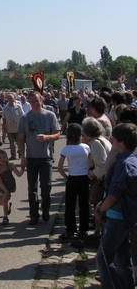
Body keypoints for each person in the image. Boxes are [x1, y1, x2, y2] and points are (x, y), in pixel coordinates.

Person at [94, 123, 137, 289]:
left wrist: (100, 208)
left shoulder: (123, 164)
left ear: (121, 141)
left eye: (113, 138)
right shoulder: (132, 159)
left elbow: (114, 195)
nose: (111, 139)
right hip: (127, 215)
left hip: (118, 216)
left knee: (103, 258)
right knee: (123, 257)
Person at [18, 91, 61, 225]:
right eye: (32, 102)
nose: (35, 104)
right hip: (31, 157)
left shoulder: (50, 115)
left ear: (41, 100)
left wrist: (47, 138)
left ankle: (46, 209)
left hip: (46, 157)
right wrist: (22, 156)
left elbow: (57, 134)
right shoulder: (24, 118)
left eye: (37, 101)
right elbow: (20, 139)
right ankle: (34, 214)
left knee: (46, 186)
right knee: (32, 188)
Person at [57, 123, 91, 240]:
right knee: (84, 205)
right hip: (84, 178)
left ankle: (70, 229)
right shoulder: (86, 147)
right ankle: (83, 229)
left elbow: (60, 167)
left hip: (72, 177)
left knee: (70, 205)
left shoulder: (66, 149)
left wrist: (66, 177)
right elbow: (90, 163)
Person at [0, 149, 25, 225]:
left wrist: (22, 168)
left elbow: (18, 174)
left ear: (6, 157)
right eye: (0, 158)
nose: (2, 159)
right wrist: (5, 191)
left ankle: (5, 217)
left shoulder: (11, 165)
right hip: (1, 187)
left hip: (9, 185)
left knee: (4, 198)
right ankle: (8, 205)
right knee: (0, 202)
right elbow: (0, 181)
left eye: (4, 157)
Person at [2, 93, 24, 160]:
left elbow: (23, 116)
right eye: (9, 98)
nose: (11, 100)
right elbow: (4, 118)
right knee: (11, 143)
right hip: (9, 128)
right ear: (7, 99)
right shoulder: (5, 108)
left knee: (19, 142)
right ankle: (13, 155)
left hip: (18, 128)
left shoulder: (18, 106)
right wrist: (4, 128)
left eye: (12, 98)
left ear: (14, 99)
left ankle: (21, 153)